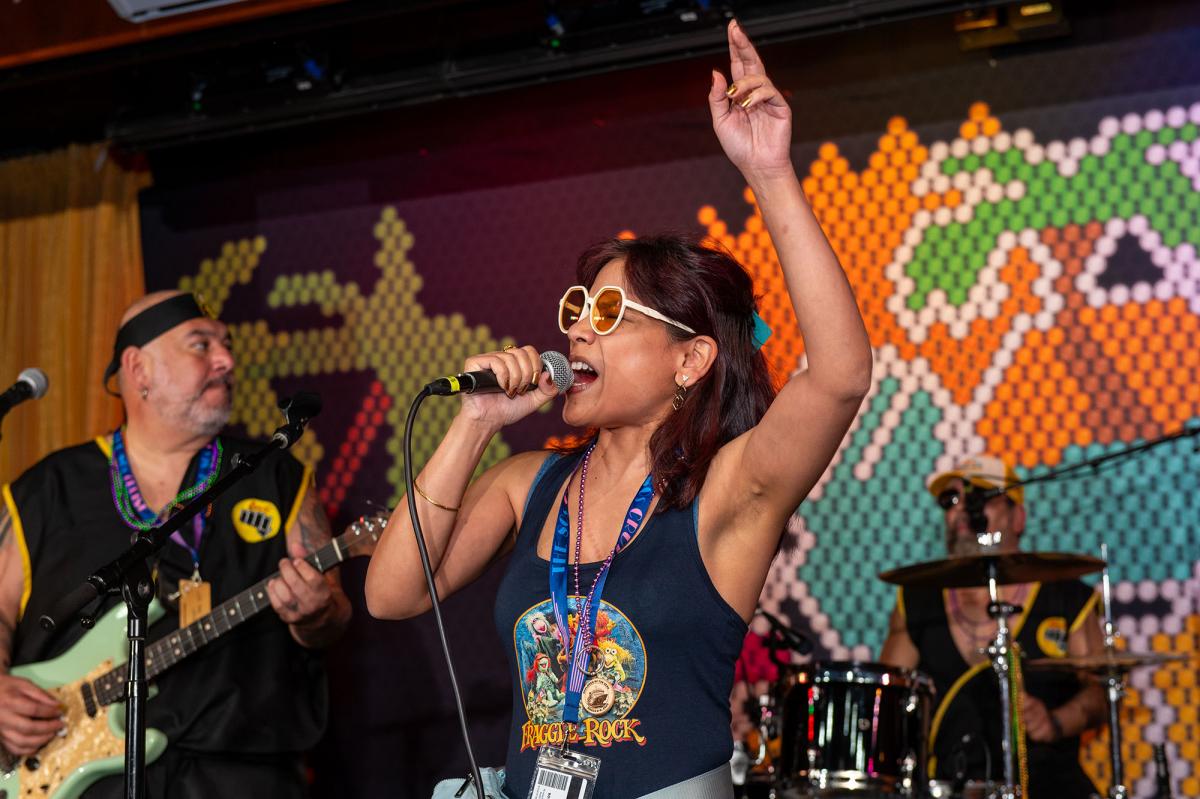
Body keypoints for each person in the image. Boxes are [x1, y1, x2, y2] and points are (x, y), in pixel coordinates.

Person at [364, 19, 873, 799]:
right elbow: (391, 593)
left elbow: (839, 376)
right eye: (577, 308)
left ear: (689, 359)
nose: (577, 329)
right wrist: (474, 424)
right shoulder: (529, 483)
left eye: (609, 315)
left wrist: (768, 172)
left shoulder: (728, 490)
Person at [0, 291, 351, 798]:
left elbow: (334, 613)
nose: (226, 359)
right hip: (74, 776)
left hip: (241, 774)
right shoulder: (48, 489)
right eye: (201, 344)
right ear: (138, 368)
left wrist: (316, 613)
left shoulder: (277, 476)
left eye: (226, 345)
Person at [880, 454, 1106, 797]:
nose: (962, 509)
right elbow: (886, 704)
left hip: (1048, 785)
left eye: (980, 496)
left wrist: (1057, 721)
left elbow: (1102, 693)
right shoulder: (915, 601)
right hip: (950, 787)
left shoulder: (1066, 598)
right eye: (951, 500)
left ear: (1018, 517)